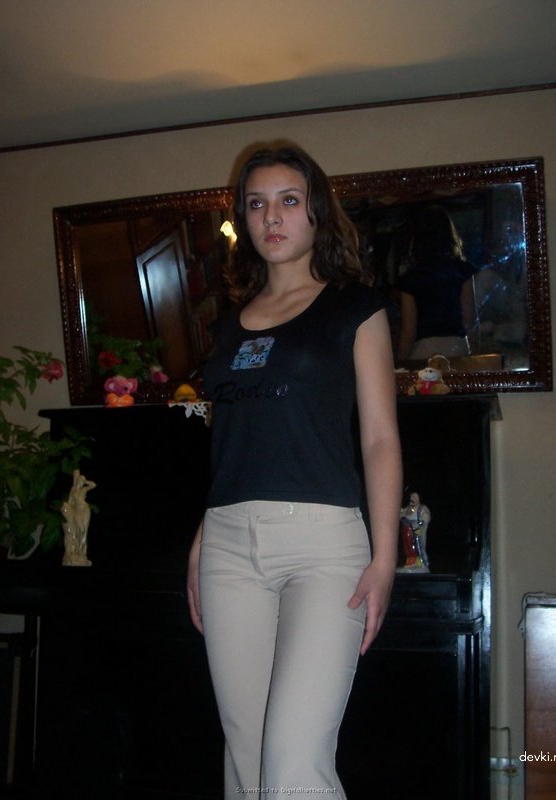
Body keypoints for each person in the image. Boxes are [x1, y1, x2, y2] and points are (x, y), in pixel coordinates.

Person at [187, 144, 402, 798]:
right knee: (247, 757)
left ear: (316, 213)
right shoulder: (227, 328)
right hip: (228, 546)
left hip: (323, 547)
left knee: (292, 759)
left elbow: (379, 439)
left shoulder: (355, 308)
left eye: (288, 200)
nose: (271, 217)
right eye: (256, 204)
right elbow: (233, 442)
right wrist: (202, 541)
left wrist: (385, 558)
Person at [396, 204, 478, 362]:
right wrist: (476, 357)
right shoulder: (462, 270)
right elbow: (469, 319)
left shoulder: (410, 279)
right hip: (458, 347)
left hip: (424, 351)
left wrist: (399, 364)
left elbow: (409, 332)